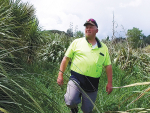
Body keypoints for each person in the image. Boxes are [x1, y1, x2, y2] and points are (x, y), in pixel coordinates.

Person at [57, 18, 113, 113]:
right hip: (76, 78)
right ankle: (74, 109)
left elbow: (108, 66)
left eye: (91, 27)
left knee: (87, 110)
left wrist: (110, 83)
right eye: (86, 27)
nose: (88, 29)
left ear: (97, 30)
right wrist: (60, 75)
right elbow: (66, 58)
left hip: (92, 83)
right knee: (70, 101)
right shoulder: (76, 42)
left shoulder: (103, 48)